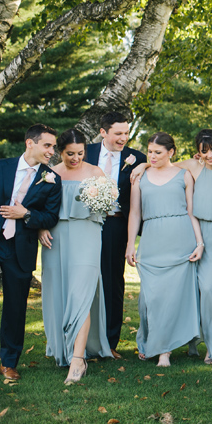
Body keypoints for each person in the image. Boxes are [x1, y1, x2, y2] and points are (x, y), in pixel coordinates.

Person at [131, 129, 212, 364]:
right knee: (193, 291)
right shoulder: (194, 167)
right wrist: (143, 166)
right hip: (196, 234)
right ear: (197, 152)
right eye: (204, 151)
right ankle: (193, 339)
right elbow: (164, 163)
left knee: (209, 289)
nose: (210, 155)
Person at [0, 124, 62, 381]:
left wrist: (26, 214)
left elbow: (51, 216)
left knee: (15, 308)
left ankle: (9, 362)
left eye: (53, 147)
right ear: (30, 143)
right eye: (47, 145)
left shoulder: (51, 179)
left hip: (20, 248)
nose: (51, 151)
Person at [39, 129, 114, 383]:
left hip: (87, 236)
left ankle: (78, 360)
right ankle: (64, 349)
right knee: (59, 291)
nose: (75, 158)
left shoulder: (95, 172)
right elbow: (37, 206)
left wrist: (101, 199)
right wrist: (40, 228)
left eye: (80, 153)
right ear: (60, 152)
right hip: (56, 239)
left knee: (82, 294)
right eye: (70, 154)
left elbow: (109, 206)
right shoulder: (51, 174)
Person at [125, 132, 204, 367]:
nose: (152, 156)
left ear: (171, 152)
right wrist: (130, 244)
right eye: (149, 152)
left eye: (157, 152)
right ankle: (151, 340)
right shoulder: (140, 177)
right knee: (151, 298)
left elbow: (192, 211)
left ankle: (164, 351)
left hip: (181, 239)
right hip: (151, 240)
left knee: (174, 297)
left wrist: (199, 243)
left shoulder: (184, 176)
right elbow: (135, 213)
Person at [86, 111, 146, 358]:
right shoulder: (86, 153)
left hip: (115, 226)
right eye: (118, 133)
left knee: (112, 282)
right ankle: (83, 340)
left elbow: (162, 163)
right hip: (85, 224)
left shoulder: (138, 157)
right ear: (103, 132)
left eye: (126, 133)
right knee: (85, 280)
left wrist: (144, 164)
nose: (124, 138)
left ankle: (110, 342)